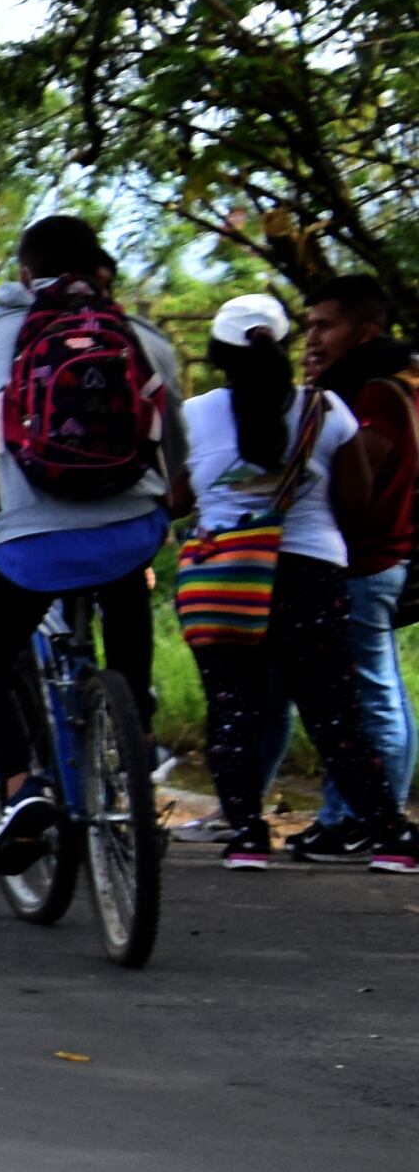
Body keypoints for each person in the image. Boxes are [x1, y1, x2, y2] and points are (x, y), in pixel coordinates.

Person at [0, 213, 188, 880]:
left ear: (26, 273)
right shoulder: (141, 336)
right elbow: (178, 452)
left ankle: (24, 786)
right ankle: (137, 735)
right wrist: (161, 506)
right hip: (130, 530)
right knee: (124, 579)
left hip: (31, 543)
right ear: (99, 270)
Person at [182, 290, 410, 868]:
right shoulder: (326, 409)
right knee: (334, 710)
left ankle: (247, 837)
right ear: (284, 346)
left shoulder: (194, 415)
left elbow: (176, 498)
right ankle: (390, 836)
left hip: (225, 577)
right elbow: (356, 502)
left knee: (234, 708)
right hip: (312, 573)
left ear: (216, 354)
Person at [292, 277, 419, 850]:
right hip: (385, 555)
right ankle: (360, 814)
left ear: (365, 332)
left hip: (368, 557)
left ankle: (368, 822)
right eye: (308, 326)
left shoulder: (375, 392)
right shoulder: (398, 379)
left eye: (325, 326)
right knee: (380, 688)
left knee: (370, 694)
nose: (312, 338)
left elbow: (357, 480)